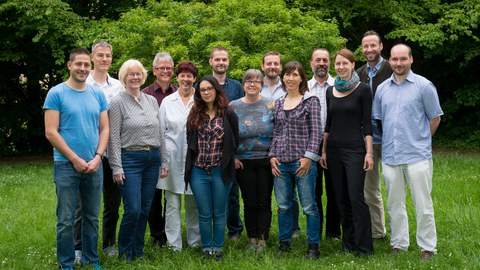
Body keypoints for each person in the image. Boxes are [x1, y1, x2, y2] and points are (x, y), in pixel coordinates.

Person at [372, 44, 442, 260]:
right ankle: (399, 243)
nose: (399, 63)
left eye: (403, 59)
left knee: (423, 203)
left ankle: (427, 246)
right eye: (395, 59)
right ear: (389, 61)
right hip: (391, 156)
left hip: (417, 156)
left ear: (411, 59)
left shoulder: (424, 86)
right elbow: (378, 119)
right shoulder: (382, 88)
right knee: (394, 203)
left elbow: (435, 118)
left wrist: (421, 141)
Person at [44, 47, 109, 270]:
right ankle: (66, 263)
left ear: (90, 67)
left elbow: (105, 128)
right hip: (65, 166)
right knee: (66, 220)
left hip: (94, 165)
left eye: (86, 65)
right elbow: (51, 132)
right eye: (78, 64)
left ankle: (92, 259)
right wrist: (74, 159)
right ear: (69, 65)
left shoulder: (97, 94)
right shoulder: (56, 93)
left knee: (92, 217)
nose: (82, 68)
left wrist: (98, 157)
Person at [108, 59, 169, 261]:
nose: (135, 77)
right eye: (130, 74)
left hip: (152, 159)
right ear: (124, 77)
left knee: (145, 208)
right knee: (132, 209)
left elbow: (160, 132)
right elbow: (113, 137)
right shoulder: (117, 102)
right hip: (130, 159)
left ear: (144, 76)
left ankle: (138, 251)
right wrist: (116, 167)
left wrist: (164, 160)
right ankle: (125, 253)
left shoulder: (150, 100)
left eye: (138, 74)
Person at [319, 48, 374, 256]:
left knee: (356, 197)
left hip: (355, 150)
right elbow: (328, 124)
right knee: (340, 199)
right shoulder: (330, 91)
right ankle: (348, 243)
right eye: (338, 64)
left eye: (345, 63)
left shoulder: (363, 89)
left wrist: (369, 153)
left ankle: (364, 247)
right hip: (333, 150)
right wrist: (324, 151)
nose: (341, 67)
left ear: (353, 65)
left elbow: (367, 124)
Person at [269, 61, 322, 259]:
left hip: (303, 164)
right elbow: (276, 132)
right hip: (281, 163)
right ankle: (284, 244)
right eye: (288, 74)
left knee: (309, 206)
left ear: (302, 78)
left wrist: (308, 158)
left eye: (295, 74)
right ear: (283, 78)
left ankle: (313, 246)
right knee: (283, 206)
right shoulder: (279, 103)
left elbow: (316, 133)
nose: (291, 78)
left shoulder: (311, 101)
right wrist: (272, 156)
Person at [185, 75, 239, 261]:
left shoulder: (228, 113)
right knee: (205, 212)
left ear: (216, 90)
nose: (206, 92)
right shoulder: (194, 113)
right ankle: (207, 249)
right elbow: (190, 141)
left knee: (219, 211)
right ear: (199, 93)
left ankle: (219, 248)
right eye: (202, 90)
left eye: (210, 89)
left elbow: (234, 140)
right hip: (198, 171)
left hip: (220, 170)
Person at [157, 62, 200, 251]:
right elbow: (160, 131)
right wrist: (163, 160)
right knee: (172, 204)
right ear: (177, 78)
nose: (186, 79)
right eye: (182, 75)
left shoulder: (200, 101)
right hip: (171, 158)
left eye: (189, 76)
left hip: (196, 159)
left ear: (194, 79)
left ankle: (195, 241)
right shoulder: (168, 102)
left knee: (194, 203)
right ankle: (174, 245)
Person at [230, 69, 274, 253]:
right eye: (249, 81)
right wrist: (232, 157)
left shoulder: (271, 105)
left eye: (256, 81)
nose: (252, 84)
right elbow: (228, 135)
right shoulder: (233, 106)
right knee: (249, 202)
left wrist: (275, 156)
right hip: (243, 161)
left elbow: (279, 132)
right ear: (244, 84)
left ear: (261, 85)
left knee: (264, 201)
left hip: (266, 160)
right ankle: (252, 238)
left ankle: (263, 239)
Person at [260, 51, 301, 238]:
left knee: (289, 193)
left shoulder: (288, 88)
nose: (272, 67)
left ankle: (293, 229)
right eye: (269, 63)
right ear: (263, 66)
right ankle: (264, 230)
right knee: (265, 192)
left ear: (280, 66)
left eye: (276, 63)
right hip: (261, 149)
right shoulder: (255, 86)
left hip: (285, 148)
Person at [357, 30, 392, 240]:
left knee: (393, 188)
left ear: (380, 46)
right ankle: (378, 233)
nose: (369, 49)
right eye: (365, 46)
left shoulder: (392, 68)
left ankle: (399, 234)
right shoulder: (359, 73)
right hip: (367, 140)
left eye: (373, 45)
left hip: (390, 138)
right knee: (370, 190)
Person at [142, 52, 178, 247]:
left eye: (169, 68)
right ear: (154, 70)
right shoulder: (145, 93)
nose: (165, 71)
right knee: (153, 195)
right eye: (161, 68)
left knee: (171, 194)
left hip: (174, 151)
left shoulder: (179, 92)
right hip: (152, 150)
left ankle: (171, 232)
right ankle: (157, 235)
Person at [209, 46, 244, 240]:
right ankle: (213, 229)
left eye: (224, 59)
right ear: (211, 62)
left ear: (228, 62)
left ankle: (234, 230)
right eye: (218, 59)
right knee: (210, 192)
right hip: (210, 147)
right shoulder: (204, 85)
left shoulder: (237, 87)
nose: (221, 63)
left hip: (231, 146)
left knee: (232, 192)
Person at [308, 48, 341, 240]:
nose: (322, 63)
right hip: (311, 144)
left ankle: (334, 232)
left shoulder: (339, 85)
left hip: (335, 144)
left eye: (325, 60)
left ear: (330, 63)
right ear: (311, 63)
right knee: (314, 191)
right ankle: (317, 231)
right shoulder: (304, 87)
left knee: (334, 188)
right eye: (318, 60)